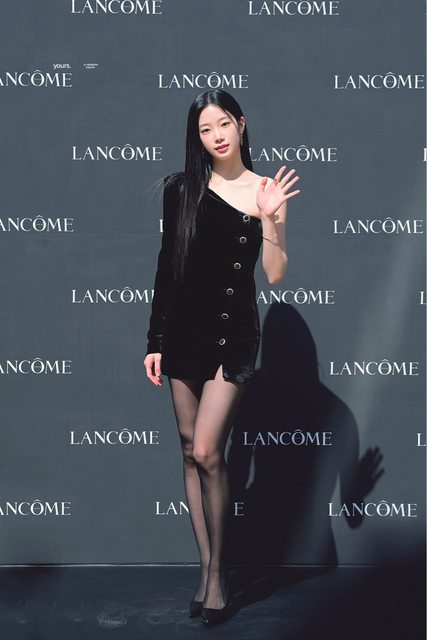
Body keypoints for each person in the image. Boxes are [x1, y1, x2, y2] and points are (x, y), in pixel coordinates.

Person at [144, 89, 301, 625]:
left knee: (210, 450)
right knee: (190, 450)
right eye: (205, 129)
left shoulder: (265, 190)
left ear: (241, 124)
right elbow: (167, 267)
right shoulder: (181, 189)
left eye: (224, 124)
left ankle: (218, 575)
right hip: (182, 333)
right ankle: (206, 568)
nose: (216, 135)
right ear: (198, 137)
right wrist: (155, 341)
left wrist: (271, 220)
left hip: (233, 334)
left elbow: (275, 274)